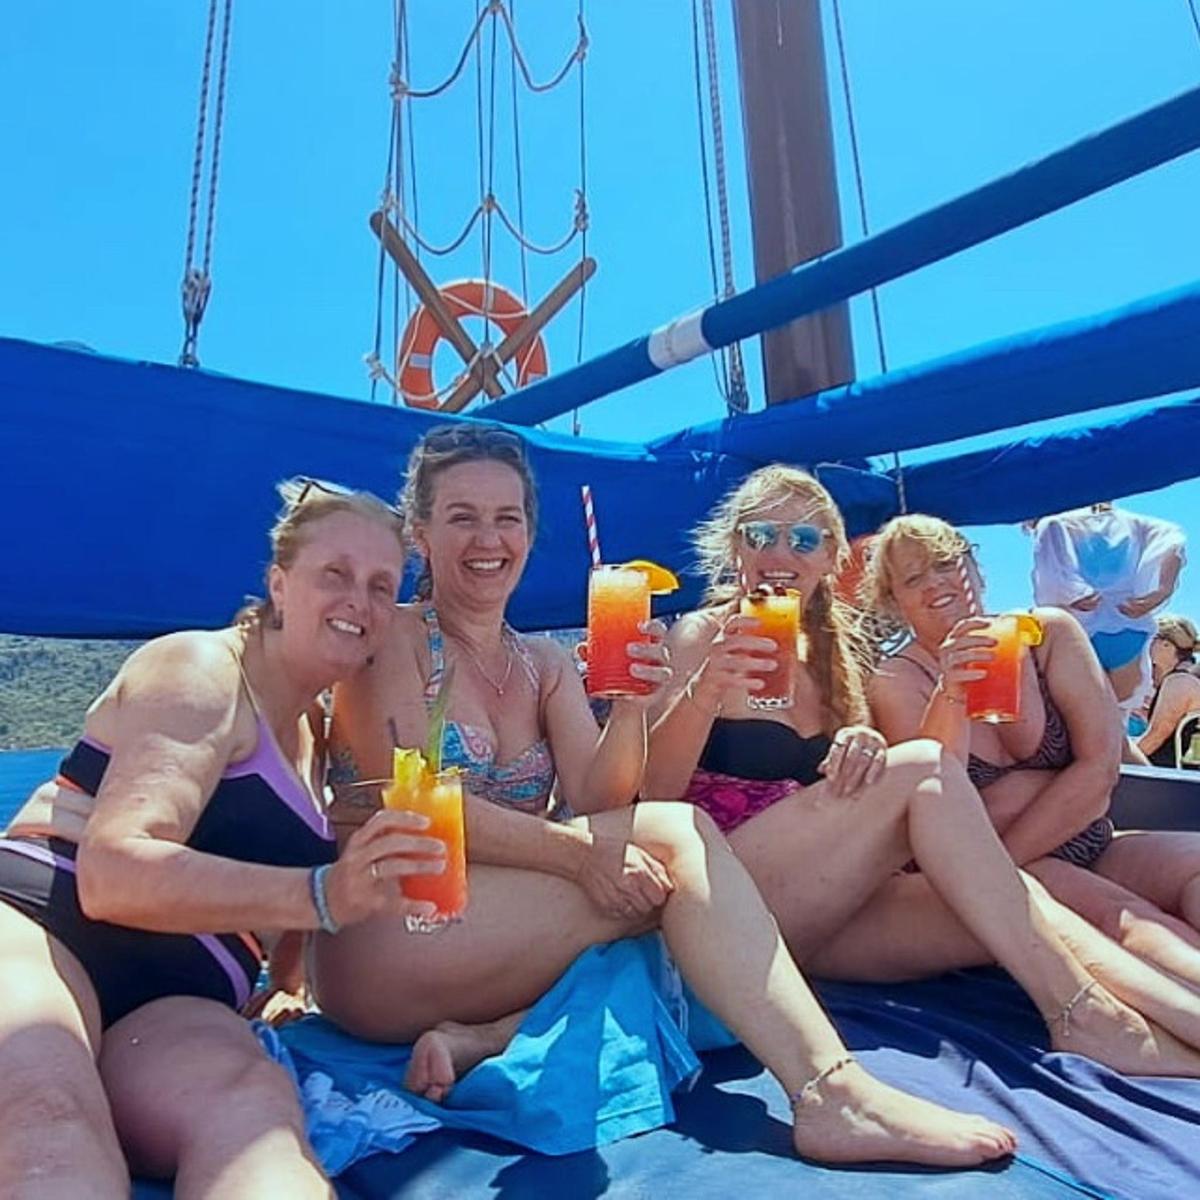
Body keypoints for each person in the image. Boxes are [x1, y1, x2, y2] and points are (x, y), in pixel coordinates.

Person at [318, 423, 1034, 1170]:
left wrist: (630, 702)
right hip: (392, 933)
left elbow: (604, 799)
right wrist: (576, 854)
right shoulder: (391, 640)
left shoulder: (542, 666)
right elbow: (410, 802)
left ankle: (495, 1032)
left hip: (498, 929)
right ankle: (831, 1092)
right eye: (462, 517)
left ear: (531, 531)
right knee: (677, 849)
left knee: (689, 901)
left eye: (508, 518)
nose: (487, 538)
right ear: (420, 533)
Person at [641, 465, 1200, 1069]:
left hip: (827, 908)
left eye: (804, 539)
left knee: (1016, 905)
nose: (781, 552)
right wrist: (702, 692)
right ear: (735, 546)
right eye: (761, 535)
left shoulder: (838, 660)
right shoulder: (703, 635)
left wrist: (861, 742)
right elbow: (651, 799)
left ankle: (1164, 1022)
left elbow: (1094, 768)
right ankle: (1083, 1014)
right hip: (731, 898)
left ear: (831, 557)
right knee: (929, 771)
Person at [0, 480, 445, 1198]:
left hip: (181, 1001)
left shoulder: (318, 738)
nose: (358, 601)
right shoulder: (203, 669)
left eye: (380, 585)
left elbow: (289, 878)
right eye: (335, 573)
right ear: (278, 582)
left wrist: (290, 982)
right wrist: (323, 892)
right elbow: (111, 874)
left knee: (254, 1116)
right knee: (47, 1116)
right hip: (45, 926)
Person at [864, 514, 1200, 988]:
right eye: (913, 578)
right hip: (997, 861)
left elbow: (1102, 768)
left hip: (1090, 841)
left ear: (976, 571)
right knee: (1126, 918)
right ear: (895, 602)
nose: (935, 583)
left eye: (946, 564)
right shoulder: (900, 680)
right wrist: (952, 692)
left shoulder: (1048, 636)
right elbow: (938, 799)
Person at [1029, 504, 1185, 708]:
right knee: (1119, 718)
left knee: (1081, 718)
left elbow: (1051, 582)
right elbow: (1173, 539)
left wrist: (1075, 592)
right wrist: (1160, 590)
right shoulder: (1139, 524)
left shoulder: (1055, 524)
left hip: (1079, 630)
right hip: (1129, 627)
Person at [1139, 614, 1200, 769]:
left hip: (1172, 783)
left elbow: (1155, 738)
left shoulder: (1179, 682)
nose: (1147, 644)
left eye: (1152, 638)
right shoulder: (1182, 680)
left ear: (1166, 645)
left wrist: (1113, 761)